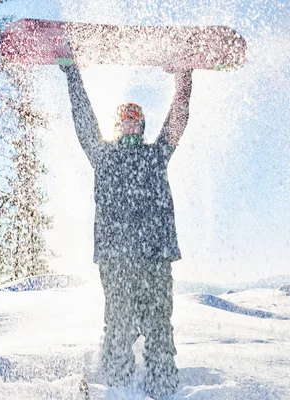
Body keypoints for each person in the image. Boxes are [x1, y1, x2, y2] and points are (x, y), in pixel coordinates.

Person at [60, 63, 192, 399]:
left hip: (155, 256)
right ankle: (117, 390)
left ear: (143, 124)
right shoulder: (104, 156)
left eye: (136, 117)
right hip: (116, 256)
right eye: (125, 118)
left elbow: (177, 122)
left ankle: (164, 391)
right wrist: (73, 74)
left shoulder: (156, 155)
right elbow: (85, 122)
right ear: (118, 125)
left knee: (159, 328)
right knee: (119, 326)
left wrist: (185, 78)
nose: (130, 121)